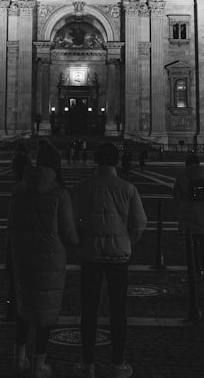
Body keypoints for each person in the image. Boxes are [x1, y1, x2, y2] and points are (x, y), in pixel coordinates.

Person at [71, 142, 147, 378]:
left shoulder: (82, 187)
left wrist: (81, 241)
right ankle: (117, 363)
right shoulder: (127, 188)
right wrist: (126, 241)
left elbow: (72, 221)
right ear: (117, 161)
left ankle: (87, 363)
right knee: (118, 309)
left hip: (90, 254)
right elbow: (139, 224)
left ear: (96, 160)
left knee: (89, 308)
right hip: (118, 255)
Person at [7, 140, 78, 378]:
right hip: (50, 260)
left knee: (23, 307)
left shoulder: (19, 189)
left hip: (23, 257)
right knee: (45, 310)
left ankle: (19, 359)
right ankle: (39, 365)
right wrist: (79, 241)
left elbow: (11, 225)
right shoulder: (60, 193)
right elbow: (68, 233)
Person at [173, 153, 204, 274]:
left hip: (188, 213)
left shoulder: (182, 176)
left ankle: (195, 264)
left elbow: (176, 196)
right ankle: (203, 264)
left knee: (192, 241)